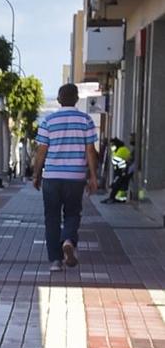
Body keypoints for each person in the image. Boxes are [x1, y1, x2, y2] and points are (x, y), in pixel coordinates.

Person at [30, 83, 98, 268]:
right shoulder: (86, 120)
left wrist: (36, 174)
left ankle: (55, 260)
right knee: (73, 213)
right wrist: (93, 176)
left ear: (59, 100)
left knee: (51, 217)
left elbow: (41, 151)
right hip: (75, 177)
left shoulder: (49, 120)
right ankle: (68, 240)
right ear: (76, 99)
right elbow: (90, 151)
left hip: (52, 177)